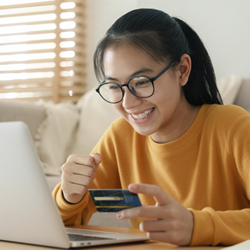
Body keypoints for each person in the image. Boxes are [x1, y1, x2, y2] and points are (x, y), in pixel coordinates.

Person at [53, 8, 250, 246]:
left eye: (142, 82)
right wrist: (69, 197)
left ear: (183, 70)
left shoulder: (233, 127)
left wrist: (196, 225)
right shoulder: (120, 138)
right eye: (115, 87)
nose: (128, 103)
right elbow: (74, 220)